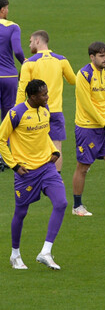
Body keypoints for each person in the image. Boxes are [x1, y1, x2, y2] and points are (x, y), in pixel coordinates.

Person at [1, 80, 67, 270]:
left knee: (61, 203)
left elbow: (43, 135)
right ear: (32, 97)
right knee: (21, 213)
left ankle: (45, 252)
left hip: (46, 167)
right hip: (26, 171)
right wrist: (14, 165)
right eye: (43, 95)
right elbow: (1, 139)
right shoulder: (16, 113)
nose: (47, 97)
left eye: (47, 93)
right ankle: (15, 254)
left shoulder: (45, 111)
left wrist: (53, 150)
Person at [16, 30, 76, 173]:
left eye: (30, 41)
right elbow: (73, 80)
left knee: (33, 146)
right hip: (56, 111)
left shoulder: (29, 63)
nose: (29, 45)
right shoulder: (61, 60)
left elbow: (22, 90)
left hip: (36, 113)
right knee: (56, 147)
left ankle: (35, 178)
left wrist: (16, 112)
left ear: (37, 41)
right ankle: (56, 180)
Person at [72, 42, 105, 217]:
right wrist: (104, 123)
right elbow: (87, 104)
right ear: (92, 57)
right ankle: (77, 206)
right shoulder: (84, 75)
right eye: (101, 56)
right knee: (83, 166)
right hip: (88, 127)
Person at [0, 0, 25, 120]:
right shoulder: (13, 27)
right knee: (8, 117)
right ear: (2, 10)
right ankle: (6, 140)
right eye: (7, 8)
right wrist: (24, 62)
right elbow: (18, 51)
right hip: (9, 77)